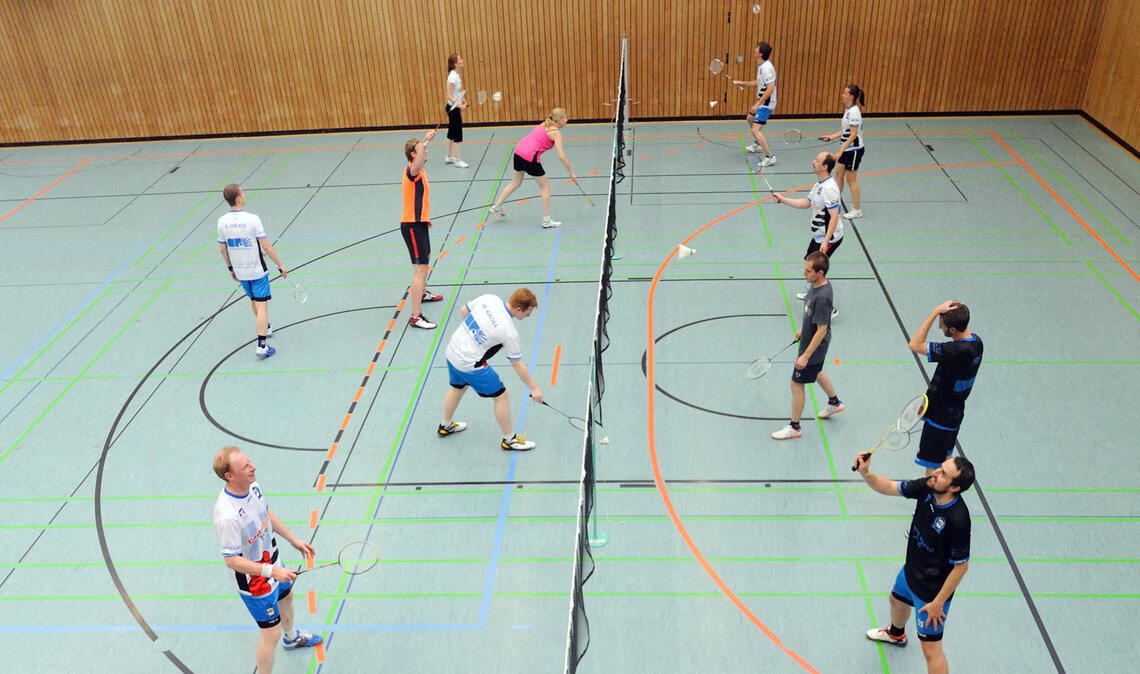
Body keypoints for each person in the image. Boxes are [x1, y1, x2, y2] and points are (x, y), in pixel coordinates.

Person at [855, 452, 975, 674]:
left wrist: (938, 603)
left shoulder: (958, 519)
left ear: (955, 487)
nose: (936, 473)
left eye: (944, 474)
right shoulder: (929, 486)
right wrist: (867, 474)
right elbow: (890, 487)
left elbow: (961, 567)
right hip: (911, 571)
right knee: (896, 601)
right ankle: (896, 634)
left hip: (932, 592)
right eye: (940, 467)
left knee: (931, 650)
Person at [212, 446, 322, 673]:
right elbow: (231, 560)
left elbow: (266, 513)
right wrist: (270, 572)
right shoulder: (227, 515)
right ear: (229, 476)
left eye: (249, 462)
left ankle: (292, 638)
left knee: (286, 597)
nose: (253, 467)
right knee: (270, 633)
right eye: (245, 467)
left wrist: (293, 539)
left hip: (273, 561)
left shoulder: (253, 487)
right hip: (255, 583)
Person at [437, 288, 544, 451]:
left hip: (452, 350)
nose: (528, 317)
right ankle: (509, 440)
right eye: (527, 313)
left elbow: (464, 310)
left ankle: (445, 425)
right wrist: (534, 389)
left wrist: (473, 337)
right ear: (518, 310)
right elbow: (517, 364)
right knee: (501, 396)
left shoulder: (489, 298)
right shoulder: (509, 332)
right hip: (470, 363)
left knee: (457, 388)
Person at [771, 252, 845, 440]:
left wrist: (805, 356)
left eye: (808, 271)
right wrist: (803, 330)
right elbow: (812, 318)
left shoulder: (822, 297)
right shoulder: (816, 285)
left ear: (820, 273)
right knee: (817, 371)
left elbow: (821, 329)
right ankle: (834, 402)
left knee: (796, 384)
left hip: (814, 346)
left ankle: (794, 427)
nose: (804, 273)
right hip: (810, 340)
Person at [907, 301, 983, 474]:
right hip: (953, 414)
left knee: (933, 474)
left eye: (942, 327)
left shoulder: (957, 350)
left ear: (953, 330)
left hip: (940, 419)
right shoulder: (977, 343)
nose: (941, 329)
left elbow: (914, 344)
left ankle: (933, 500)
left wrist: (934, 312)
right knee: (946, 465)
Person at [217, 184, 287, 359]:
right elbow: (266, 246)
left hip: (240, 272)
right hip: (256, 270)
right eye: (243, 192)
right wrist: (280, 264)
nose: (244, 194)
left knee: (254, 299)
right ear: (239, 198)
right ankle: (262, 345)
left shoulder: (221, 221)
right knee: (262, 306)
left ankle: (266, 327)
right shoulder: (253, 219)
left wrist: (231, 268)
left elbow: (223, 250)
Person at [772, 151, 843, 317]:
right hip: (819, 235)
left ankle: (829, 308)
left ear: (824, 166)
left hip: (829, 237)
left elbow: (834, 216)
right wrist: (783, 199)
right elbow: (806, 203)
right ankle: (813, 291)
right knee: (809, 263)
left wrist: (826, 241)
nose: (813, 162)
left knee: (817, 271)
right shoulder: (819, 185)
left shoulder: (830, 189)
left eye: (817, 160)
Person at [488, 108, 579, 228]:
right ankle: (547, 220)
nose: (567, 120)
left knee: (516, 182)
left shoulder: (545, 123)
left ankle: (496, 206)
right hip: (529, 157)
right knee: (545, 187)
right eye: (565, 118)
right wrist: (571, 172)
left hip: (518, 153)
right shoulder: (556, 132)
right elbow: (562, 156)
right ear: (559, 120)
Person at [401, 129, 445, 329]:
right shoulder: (413, 171)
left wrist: (425, 140)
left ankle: (423, 293)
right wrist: (422, 144)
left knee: (425, 259)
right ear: (413, 155)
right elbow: (418, 160)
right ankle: (416, 316)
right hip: (412, 226)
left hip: (420, 224)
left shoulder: (416, 168)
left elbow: (420, 153)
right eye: (421, 150)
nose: (426, 152)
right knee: (420, 269)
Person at [820, 84, 866, 219]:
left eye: (845, 93)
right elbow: (845, 131)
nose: (843, 95)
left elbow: (853, 134)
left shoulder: (854, 112)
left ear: (851, 96)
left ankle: (857, 210)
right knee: (839, 174)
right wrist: (831, 136)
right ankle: (835, 202)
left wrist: (840, 150)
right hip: (846, 148)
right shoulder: (848, 109)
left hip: (854, 150)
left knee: (851, 180)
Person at [733, 41, 777, 169]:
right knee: (749, 119)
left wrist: (757, 104)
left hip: (766, 103)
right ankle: (758, 144)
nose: (754, 49)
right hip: (763, 102)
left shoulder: (767, 68)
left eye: (756, 48)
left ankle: (770, 157)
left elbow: (770, 88)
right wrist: (743, 83)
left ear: (761, 53)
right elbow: (758, 83)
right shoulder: (762, 66)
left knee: (755, 129)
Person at [444, 53, 470, 169]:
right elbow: (449, 95)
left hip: (454, 107)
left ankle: (449, 156)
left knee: (451, 132)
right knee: (457, 133)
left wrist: (463, 99)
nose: (462, 60)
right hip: (453, 108)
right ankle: (458, 160)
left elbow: (457, 92)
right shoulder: (452, 77)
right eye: (459, 59)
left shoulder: (456, 75)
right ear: (455, 63)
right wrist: (459, 105)